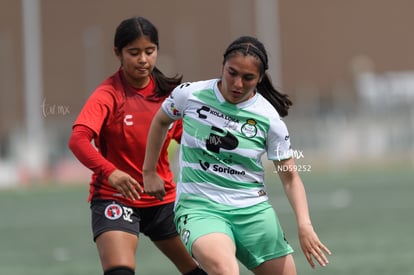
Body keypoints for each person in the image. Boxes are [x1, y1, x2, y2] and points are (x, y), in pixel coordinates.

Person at [143, 35, 332, 275]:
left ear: (260, 78)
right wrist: (149, 171)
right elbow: (161, 120)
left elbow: (290, 178)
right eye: (232, 73)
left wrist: (305, 225)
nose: (237, 84)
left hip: (252, 211)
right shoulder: (189, 95)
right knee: (225, 270)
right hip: (199, 207)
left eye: (248, 78)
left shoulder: (269, 119)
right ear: (222, 65)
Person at [68, 16, 206, 275]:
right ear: (117, 53)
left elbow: (191, 141)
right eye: (134, 53)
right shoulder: (108, 94)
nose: (143, 59)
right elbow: (78, 139)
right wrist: (111, 173)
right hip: (116, 199)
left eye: (149, 51)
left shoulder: (170, 95)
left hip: (163, 199)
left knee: (204, 270)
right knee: (120, 271)